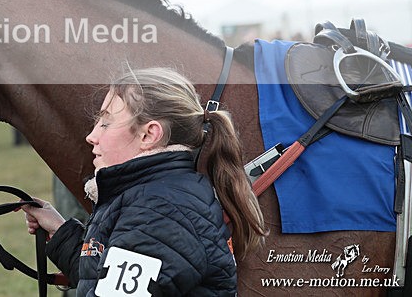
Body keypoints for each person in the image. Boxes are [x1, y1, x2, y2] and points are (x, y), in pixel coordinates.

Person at [22, 67, 267, 296]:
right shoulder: (150, 198)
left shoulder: (160, 212)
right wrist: (60, 232)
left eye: (106, 122)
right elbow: (105, 278)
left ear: (149, 135)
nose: (92, 136)